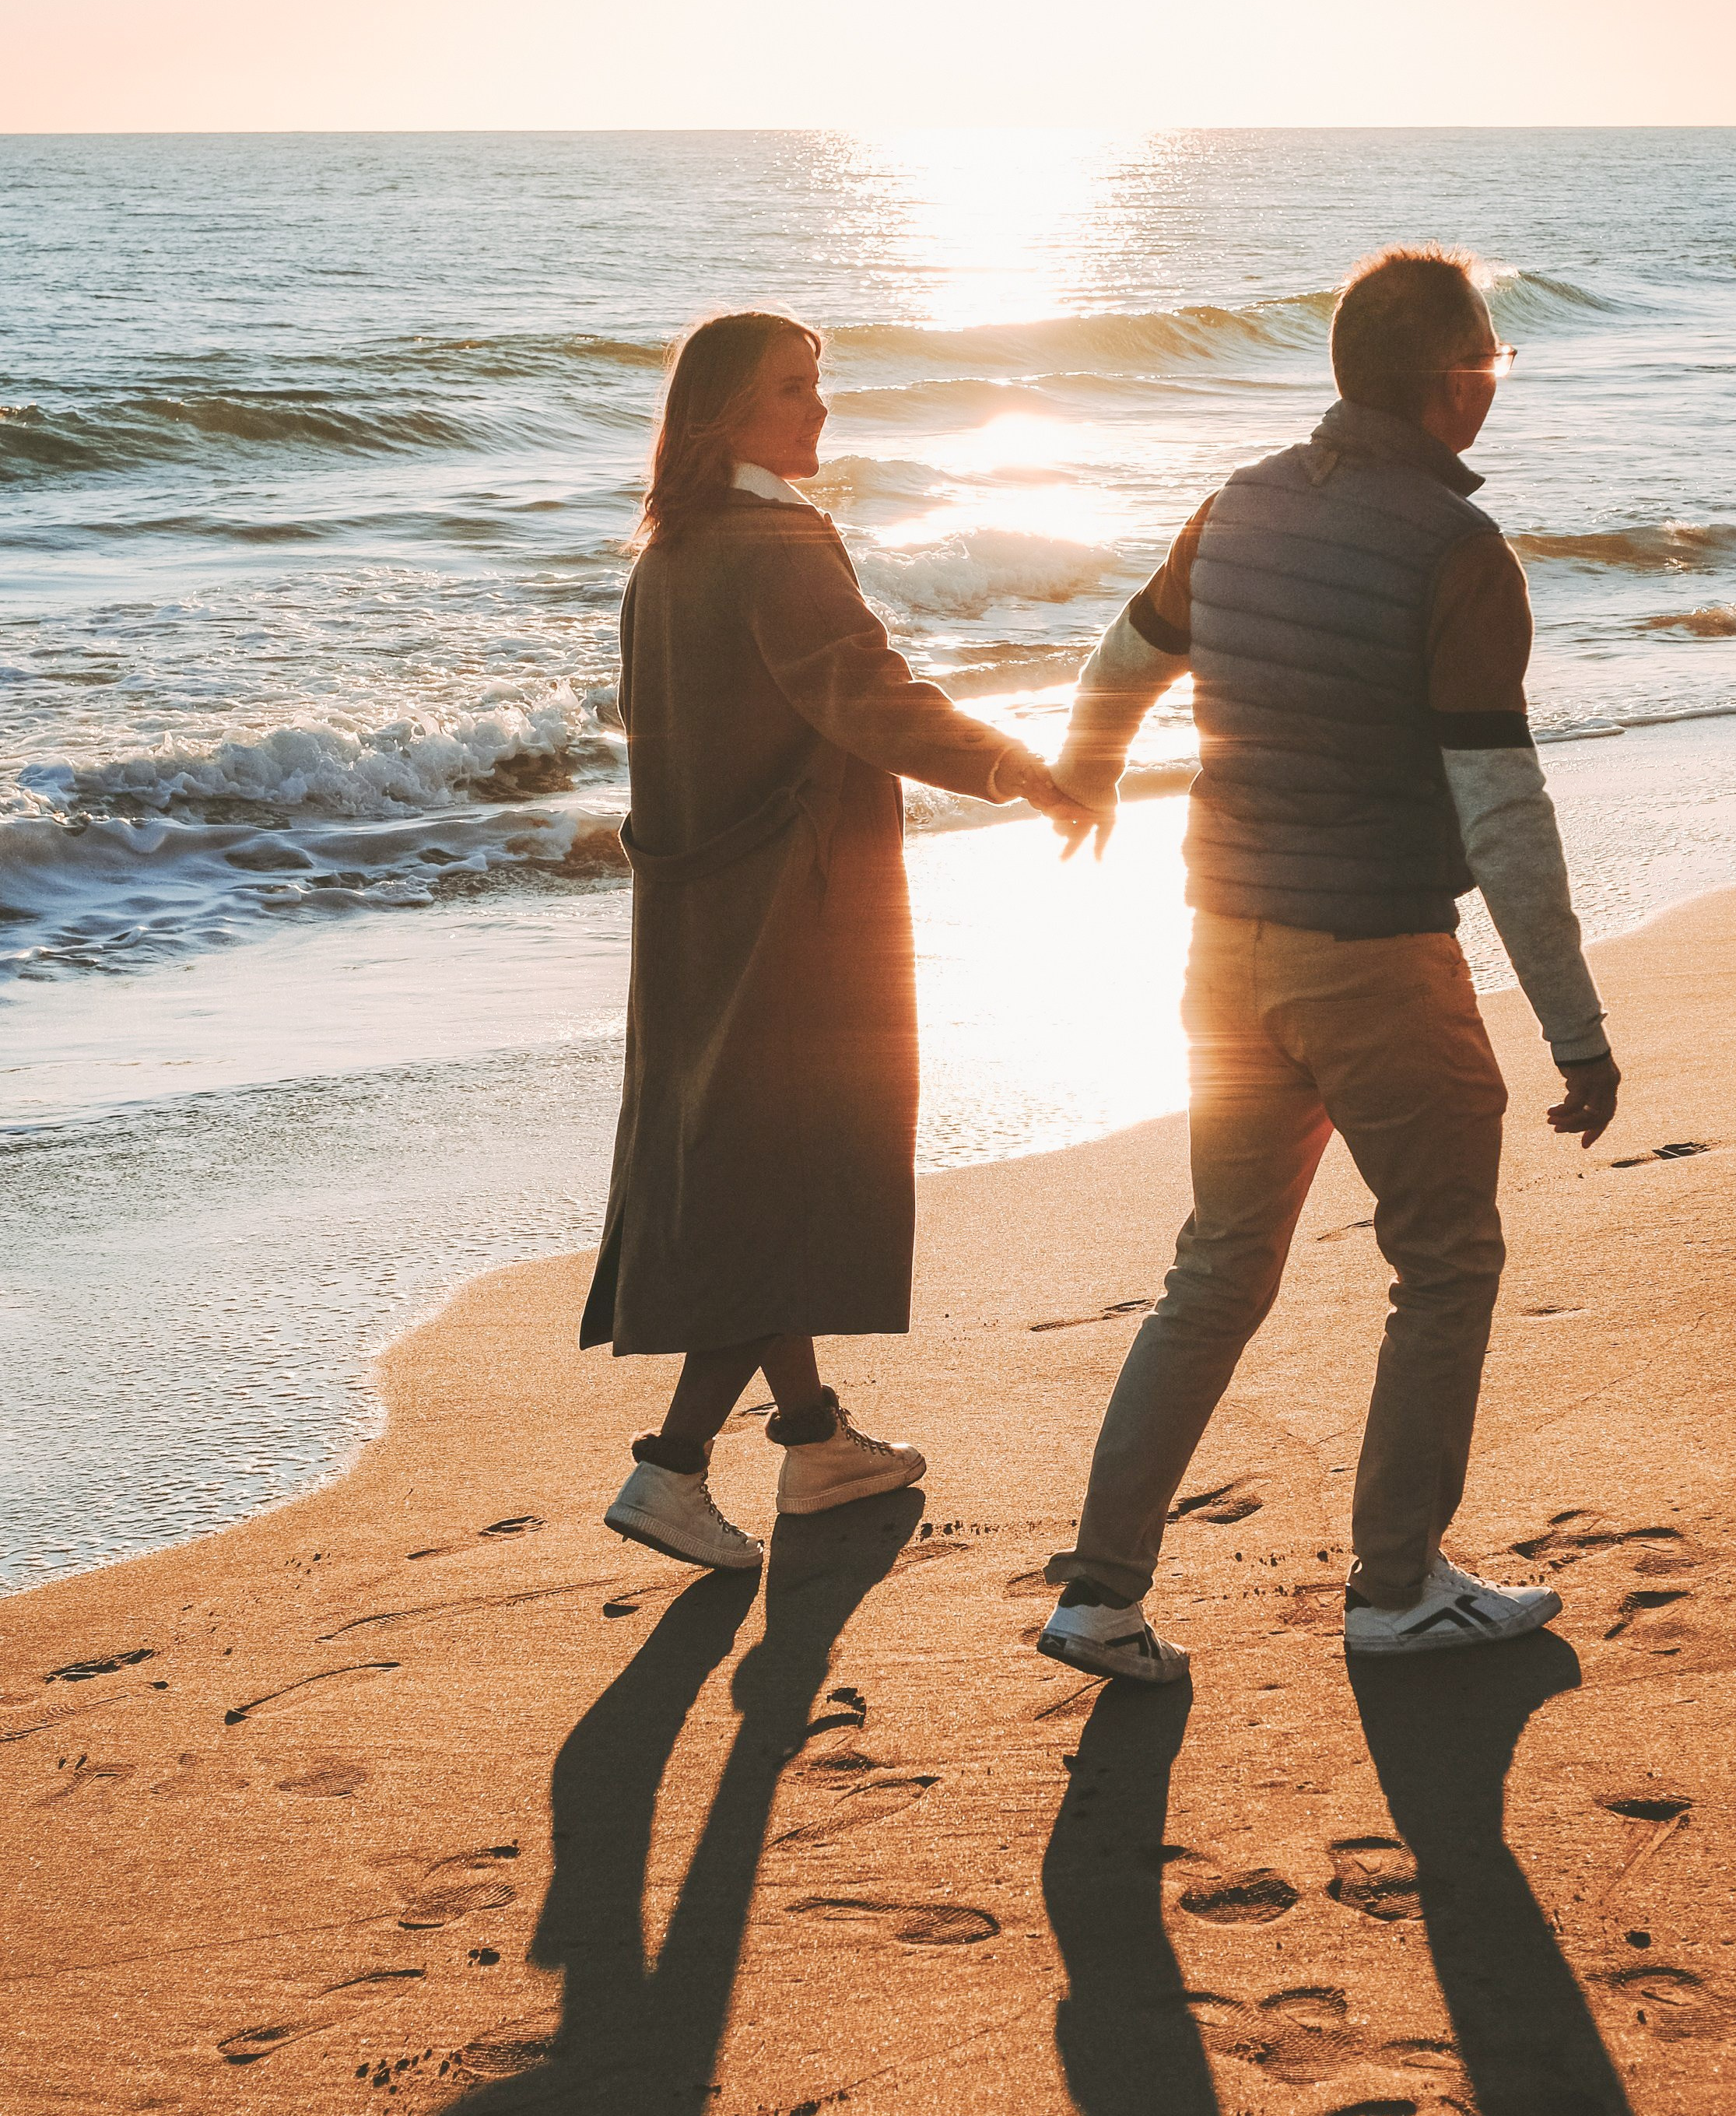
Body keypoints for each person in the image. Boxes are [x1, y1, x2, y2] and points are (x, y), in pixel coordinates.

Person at [1036, 246, 1622, 1682]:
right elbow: (1499, 812)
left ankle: (1098, 1594)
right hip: (1374, 960)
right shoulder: (1456, 552)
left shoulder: (1234, 502)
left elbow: (1123, 657)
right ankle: (1397, 1582)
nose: (1493, 381)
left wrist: (1086, 777)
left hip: (1222, 953)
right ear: (1444, 381)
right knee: (1444, 1260)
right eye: (1488, 357)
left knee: (1216, 1271)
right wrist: (1575, 1026)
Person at [591, 310, 1089, 1574]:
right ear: (722, 416)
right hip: (796, 915)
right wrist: (1019, 765)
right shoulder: (778, 549)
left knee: (756, 1161)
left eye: (820, 386)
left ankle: (814, 1441)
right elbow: (869, 697)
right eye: (791, 391)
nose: (819, 412)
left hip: (695, 917)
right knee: (788, 1178)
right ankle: (673, 1466)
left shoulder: (667, 554)